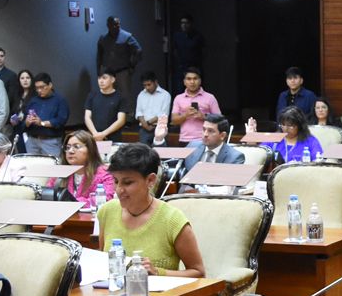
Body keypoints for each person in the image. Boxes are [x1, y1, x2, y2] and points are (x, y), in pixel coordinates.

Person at [97, 144, 205, 278]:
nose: (119, 189)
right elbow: (103, 263)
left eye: (128, 182)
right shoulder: (107, 211)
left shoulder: (172, 219)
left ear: (150, 180)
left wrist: (158, 272)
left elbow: (199, 272)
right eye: (115, 181)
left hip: (160, 291)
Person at [59, 130, 117, 207]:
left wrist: (73, 202)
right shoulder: (60, 173)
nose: (70, 151)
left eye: (76, 146)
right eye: (68, 147)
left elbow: (106, 198)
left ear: (90, 150)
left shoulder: (105, 174)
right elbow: (49, 194)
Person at [21, 74, 69, 159]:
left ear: (50, 85)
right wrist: (27, 122)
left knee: (52, 165)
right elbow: (24, 119)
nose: (39, 90)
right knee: (32, 165)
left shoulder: (60, 100)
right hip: (32, 140)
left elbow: (61, 120)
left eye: (42, 87)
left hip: (50, 141)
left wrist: (42, 123)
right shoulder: (33, 100)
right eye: (37, 88)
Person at [170, 70, 221, 145]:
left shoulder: (210, 97)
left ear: (200, 81)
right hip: (184, 139)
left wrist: (203, 116)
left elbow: (220, 120)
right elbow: (174, 121)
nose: (192, 82)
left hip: (206, 139)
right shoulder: (178, 98)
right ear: (184, 82)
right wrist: (185, 115)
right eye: (189, 79)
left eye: (195, 78)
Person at [181, 115, 245, 171]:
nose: (205, 134)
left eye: (210, 131)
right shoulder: (192, 147)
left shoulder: (235, 157)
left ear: (222, 135)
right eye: (204, 129)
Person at [83, 69, 127, 142]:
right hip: (94, 136)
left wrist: (103, 134)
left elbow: (121, 120)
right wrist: (95, 133)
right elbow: (87, 117)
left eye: (104, 78)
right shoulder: (92, 95)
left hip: (113, 138)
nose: (101, 81)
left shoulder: (120, 97)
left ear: (112, 80)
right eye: (99, 78)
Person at [96, 16, 142, 81]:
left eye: (118, 24)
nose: (117, 26)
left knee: (124, 87)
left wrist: (132, 65)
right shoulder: (103, 38)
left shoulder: (126, 36)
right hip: (107, 72)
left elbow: (138, 50)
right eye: (114, 24)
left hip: (122, 72)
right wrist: (99, 70)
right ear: (108, 25)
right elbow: (99, 55)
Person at [133, 72, 171, 146]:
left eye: (149, 84)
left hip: (160, 128)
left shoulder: (165, 95)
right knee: (144, 152)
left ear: (155, 82)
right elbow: (139, 113)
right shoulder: (141, 94)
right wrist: (146, 126)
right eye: (144, 85)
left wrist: (148, 123)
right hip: (144, 129)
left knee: (160, 151)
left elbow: (164, 114)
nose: (147, 87)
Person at [170, 14, 205, 89]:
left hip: (194, 67)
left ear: (191, 24)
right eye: (182, 23)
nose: (184, 25)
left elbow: (203, 52)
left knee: (195, 89)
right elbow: (175, 50)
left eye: (186, 23)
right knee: (181, 89)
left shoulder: (198, 36)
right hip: (182, 68)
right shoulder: (177, 36)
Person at [6, 68, 35, 144]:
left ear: (31, 80)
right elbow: (9, 111)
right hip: (17, 129)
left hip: (31, 130)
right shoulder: (15, 95)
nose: (25, 80)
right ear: (19, 81)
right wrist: (11, 120)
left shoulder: (35, 95)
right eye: (22, 78)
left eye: (27, 78)